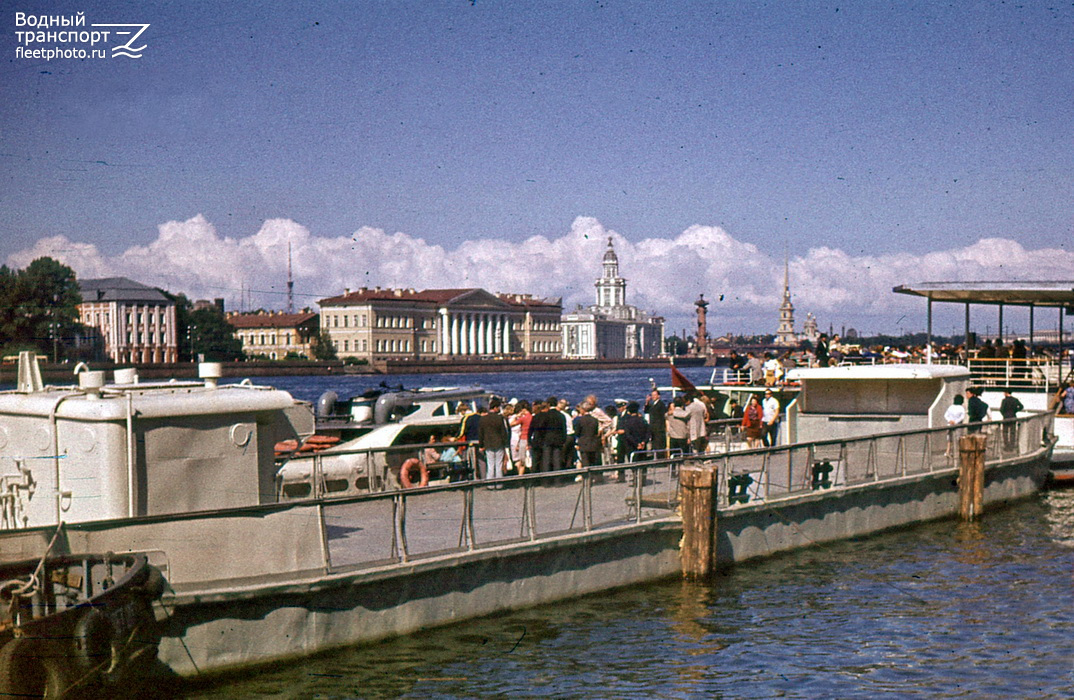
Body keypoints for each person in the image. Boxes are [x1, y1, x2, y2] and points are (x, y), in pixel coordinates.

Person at [478, 397, 510, 485]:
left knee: (490, 464)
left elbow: (481, 434)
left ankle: (490, 484)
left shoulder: (483, 419)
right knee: (498, 464)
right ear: (495, 407)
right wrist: (506, 444)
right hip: (499, 443)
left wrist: (481, 445)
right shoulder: (500, 418)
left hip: (488, 444)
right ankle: (499, 484)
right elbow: (503, 433)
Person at [573, 403, 603, 469]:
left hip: (583, 444)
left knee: (585, 463)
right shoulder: (595, 420)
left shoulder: (580, 420)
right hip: (593, 444)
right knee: (593, 462)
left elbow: (577, 432)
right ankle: (594, 477)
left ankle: (586, 478)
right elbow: (595, 432)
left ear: (583, 410)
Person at [509, 400, 532, 474]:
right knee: (530, 459)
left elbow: (511, 424)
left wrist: (517, 416)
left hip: (523, 439)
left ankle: (520, 477)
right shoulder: (532, 417)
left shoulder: (523, 418)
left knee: (522, 461)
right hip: (530, 439)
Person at [644, 389, 667, 456]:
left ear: (658, 396)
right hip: (653, 428)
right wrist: (647, 402)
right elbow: (646, 411)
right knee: (654, 444)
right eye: (652, 395)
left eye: (655, 395)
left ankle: (660, 459)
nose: (653, 397)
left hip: (659, 428)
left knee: (659, 444)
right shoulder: (652, 405)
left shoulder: (661, 404)